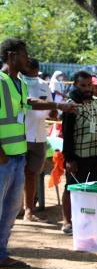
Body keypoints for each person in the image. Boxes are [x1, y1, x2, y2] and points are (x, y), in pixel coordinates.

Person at [0, 38, 76, 268]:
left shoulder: (19, 83)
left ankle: (1, 253)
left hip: (18, 154)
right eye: (24, 54)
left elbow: (29, 103)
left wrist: (60, 106)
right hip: (2, 157)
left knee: (11, 208)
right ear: (12, 55)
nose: (27, 58)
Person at [60, 71, 97, 234]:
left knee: (92, 187)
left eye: (89, 85)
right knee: (71, 187)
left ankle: (87, 221)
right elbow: (66, 133)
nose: (87, 88)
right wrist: (69, 158)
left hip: (94, 152)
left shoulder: (96, 102)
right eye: (83, 85)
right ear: (75, 85)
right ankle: (67, 221)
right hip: (77, 155)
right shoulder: (70, 104)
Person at [22, 58, 54, 222]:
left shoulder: (43, 84)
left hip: (39, 136)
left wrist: (54, 110)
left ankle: (28, 211)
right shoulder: (17, 83)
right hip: (19, 136)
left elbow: (50, 107)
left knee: (32, 174)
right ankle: (16, 209)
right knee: (14, 174)